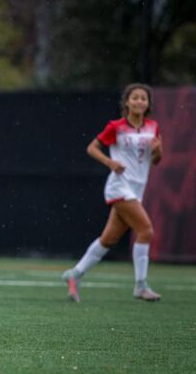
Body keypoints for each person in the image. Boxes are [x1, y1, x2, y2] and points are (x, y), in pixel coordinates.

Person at [61, 83, 162, 302]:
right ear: (127, 102)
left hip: (137, 188)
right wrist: (110, 162)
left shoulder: (153, 127)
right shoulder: (116, 126)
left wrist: (158, 150)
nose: (138, 101)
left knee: (108, 239)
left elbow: (156, 160)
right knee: (146, 230)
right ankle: (140, 285)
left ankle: (74, 274)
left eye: (143, 98)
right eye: (134, 98)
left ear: (148, 104)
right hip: (119, 186)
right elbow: (92, 148)